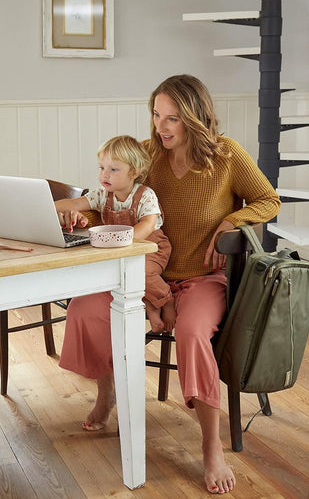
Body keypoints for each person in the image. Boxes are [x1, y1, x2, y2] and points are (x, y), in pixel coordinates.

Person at [58, 75, 281, 495]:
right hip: (142, 272)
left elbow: (269, 199)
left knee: (193, 332)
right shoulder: (145, 155)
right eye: (157, 115)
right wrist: (82, 217)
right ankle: (106, 392)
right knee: (85, 308)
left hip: (203, 278)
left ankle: (210, 446)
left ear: (195, 118)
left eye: (172, 118)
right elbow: (112, 199)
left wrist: (232, 220)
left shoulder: (227, 155)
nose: (161, 127)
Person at [55, 135, 174, 333]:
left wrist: (125, 241)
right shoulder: (101, 195)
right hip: (117, 250)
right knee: (117, 275)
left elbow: (148, 224)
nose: (105, 175)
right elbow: (74, 203)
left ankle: (166, 299)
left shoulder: (145, 195)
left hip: (149, 248)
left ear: (134, 172)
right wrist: (47, 207)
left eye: (113, 169)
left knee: (139, 272)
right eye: (102, 168)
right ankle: (152, 308)